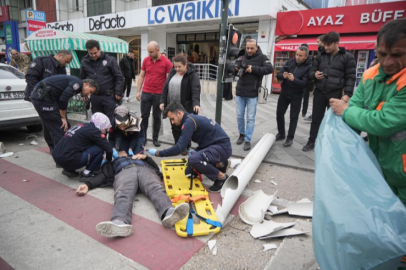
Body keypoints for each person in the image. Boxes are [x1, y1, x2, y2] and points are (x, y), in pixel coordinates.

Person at [330, 18, 406, 269]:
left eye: (398, 55)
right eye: (382, 54)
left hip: (404, 172)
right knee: (386, 221)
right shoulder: (372, 74)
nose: (388, 62)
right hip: (381, 168)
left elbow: (385, 121)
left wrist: (346, 112)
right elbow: (357, 108)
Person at [76, 151, 190, 238]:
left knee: (156, 188)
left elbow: (156, 169)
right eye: (119, 152)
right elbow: (103, 175)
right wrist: (88, 185)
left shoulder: (139, 157)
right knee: (123, 194)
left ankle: (168, 212)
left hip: (145, 170)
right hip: (125, 172)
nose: (122, 152)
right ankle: (119, 222)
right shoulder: (114, 162)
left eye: (123, 151)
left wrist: (147, 158)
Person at [148, 102, 232, 192]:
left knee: (194, 160)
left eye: (172, 119)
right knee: (189, 173)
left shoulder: (189, 123)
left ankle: (221, 177)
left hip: (223, 147)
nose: (172, 122)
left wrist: (158, 153)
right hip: (215, 146)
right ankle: (221, 163)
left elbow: (179, 148)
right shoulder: (189, 119)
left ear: (179, 113)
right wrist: (198, 151)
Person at [302, 31, 356, 152]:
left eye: (328, 45)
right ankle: (311, 141)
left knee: (334, 121)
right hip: (320, 92)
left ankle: (332, 145)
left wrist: (347, 95)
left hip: (335, 93)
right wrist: (314, 75)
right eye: (324, 44)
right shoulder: (320, 56)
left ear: (337, 43)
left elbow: (351, 77)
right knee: (316, 119)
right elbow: (310, 72)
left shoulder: (348, 57)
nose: (325, 47)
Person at [30, 75, 98, 153]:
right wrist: (63, 117)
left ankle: (54, 149)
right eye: (90, 91)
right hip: (43, 97)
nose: (89, 94)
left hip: (41, 97)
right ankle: (63, 155)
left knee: (52, 124)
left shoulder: (76, 83)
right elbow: (64, 98)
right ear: (86, 84)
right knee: (60, 126)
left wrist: (84, 94)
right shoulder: (78, 83)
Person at [24, 50, 73, 153]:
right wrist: (39, 95)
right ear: (60, 55)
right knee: (49, 122)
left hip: (54, 99)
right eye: (66, 61)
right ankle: (53, 147)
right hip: (41, 99)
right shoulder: (41, 61)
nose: (66, 64)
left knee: (61, 121)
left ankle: (61, 145)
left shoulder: (62, 68)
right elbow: (30, 78)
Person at [235, 39, 273, 151]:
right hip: (240, 91)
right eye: (247, 48)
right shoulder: (242, 56)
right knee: (239, 116)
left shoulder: (262, 57)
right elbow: (233, 70)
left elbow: (269, 68)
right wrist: (236, 68)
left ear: (256, 47)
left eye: (252, 48)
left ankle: (247, 139)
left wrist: (253, 69)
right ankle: (241, 135)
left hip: (252, 93)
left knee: (250, 118)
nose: (249, 50)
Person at [159, 54, 201, 155]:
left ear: (185, 65)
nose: (177, 69)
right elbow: (165, 87)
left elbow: (195, 90)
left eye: (179, 67)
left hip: (185, 106)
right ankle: (177, 144)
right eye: (175, 66)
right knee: (174, 125)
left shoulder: (192, 74)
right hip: (172, 105)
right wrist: (162, 101)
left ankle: (185, 146)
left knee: (185, 127)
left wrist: (196, 103)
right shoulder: (173, 72)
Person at [52, 113, 113, 179]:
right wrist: (108, 161)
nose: (106, 131)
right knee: (100, 148)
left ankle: (68, 169)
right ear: (102, 125)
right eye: (105, 129)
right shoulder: (95, 131)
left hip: (57, 156)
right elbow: (108, 148)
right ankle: (87, 173)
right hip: (68, 159)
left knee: (78, 146)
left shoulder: (82, 126)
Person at [136, 41, 172, 147]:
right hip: (146, 92)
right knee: (144, 116)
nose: (149, 54)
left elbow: (168, 80)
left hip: (159, 94)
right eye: (148, 51)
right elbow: (141, 76)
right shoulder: (146, 60)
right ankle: (143, 137)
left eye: (151, 52)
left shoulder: (167, 62)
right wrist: (138, 91)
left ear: (158, 50)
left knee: (157, 117)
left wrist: (165, 97)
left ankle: (155, 138)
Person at [275, 46, 311, 147]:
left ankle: (290, 138)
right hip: (284, 92)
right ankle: (281, 133)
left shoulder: (308, 67)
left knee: (293, 117)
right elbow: (279, 75)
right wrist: (283, 76)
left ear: (306, 56)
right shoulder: (290, 62)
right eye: (297, 54)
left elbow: (305, 84)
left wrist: (294, 79)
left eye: (300, 55)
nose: (297, 57)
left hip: (297, 95)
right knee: (279, 113)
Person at [80, 39, 124, 123]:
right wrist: (83, 93)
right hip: (95, 97)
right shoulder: (84, 61)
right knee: (97, 122)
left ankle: (111, 136)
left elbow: (119, 77)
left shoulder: (110, 60)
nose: (93, 55)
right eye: (91, 53)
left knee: (111, 122)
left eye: (95, 53)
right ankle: (100, 136)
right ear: (87, 51)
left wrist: (118, 92)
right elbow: (83, 78)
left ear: (99, 49)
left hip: (109, 97)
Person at [303, 36, 325, 121]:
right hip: (318, 84)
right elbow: (312, 70)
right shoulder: (318, 55)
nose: (317, 43)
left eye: (318, 42)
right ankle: (314, 116)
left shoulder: (313, 57)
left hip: (327, 86)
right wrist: (313, 75)